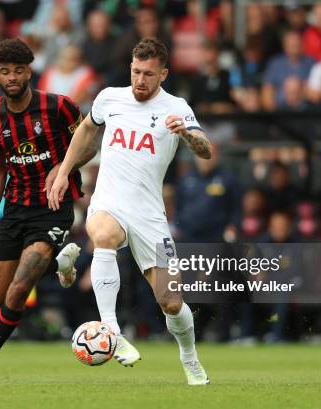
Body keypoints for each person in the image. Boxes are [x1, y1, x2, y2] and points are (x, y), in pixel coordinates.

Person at [49, 38, 212, 385]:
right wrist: (64, 172)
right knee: (104, 236)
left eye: (148, 74)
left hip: (149, 216)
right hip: (109, 201)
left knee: (171, 302)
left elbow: (206, 150)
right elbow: (86, 133)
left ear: (163, 74)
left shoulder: (177, 107)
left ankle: (190, 358)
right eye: (136, 71)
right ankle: (112, 330)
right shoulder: (110, 98)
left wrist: (185, 133)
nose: (140, 80)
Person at [0, 39, 97, 384]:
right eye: (5, 71)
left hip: (52, 208)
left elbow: (89, 144)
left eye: (18, 70)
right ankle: (59, 265)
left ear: (29, 72)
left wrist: (63, 167)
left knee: (19, 289)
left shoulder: (60, 107)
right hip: (15, 208)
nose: (12, 77)